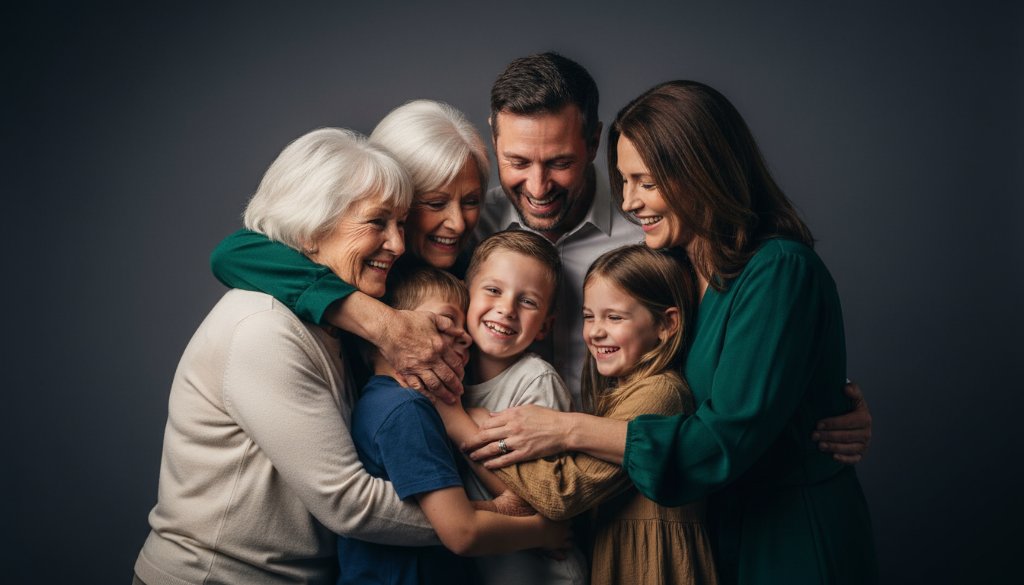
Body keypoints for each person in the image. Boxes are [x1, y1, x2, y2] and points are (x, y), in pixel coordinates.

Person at [206, 53, 872, 459]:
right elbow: (241, 249)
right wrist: (376, 320)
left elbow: (732, 342)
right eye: (517, 161)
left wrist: (821, 400)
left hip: (622, 475)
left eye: (558, 162)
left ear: (593, 140)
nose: (537, 184)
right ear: (494, 137)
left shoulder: (652, 228)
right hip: (481, 478)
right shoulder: (463, 222)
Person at [466, 81, 879, 584]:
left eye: (646, 182)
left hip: (784, 536)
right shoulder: (674, 266)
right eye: (624, 182)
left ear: (702, 172)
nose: (631, 201)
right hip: (699, 528)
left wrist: (565, 428)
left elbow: (724, 435)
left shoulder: (779, 269)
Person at [134, 128, 442, 585]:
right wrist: (487, 522)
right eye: (378, 223)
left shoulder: (334, 323)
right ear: (311, 228)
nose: (398, 244)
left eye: (401, 225)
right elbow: (347, 502)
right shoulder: (264, 327)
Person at [457, 244, 719, 585]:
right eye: (589, 316)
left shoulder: (660, 394)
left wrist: (469, 423)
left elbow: (560, 492)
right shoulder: (621, 391)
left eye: (614, 317)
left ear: (667, 324)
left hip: (652, 566)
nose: (595, 331)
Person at [211, 99, 489, 395]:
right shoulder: (358, 262)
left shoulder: (481, 262)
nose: (458, 224)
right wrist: (384, 324)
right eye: (435, 203)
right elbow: (232, 253)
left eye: (471, 201)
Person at [338, 266, 569, 585]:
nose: (465, 337)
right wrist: (544, 531)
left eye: (464, 328)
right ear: (386, 334)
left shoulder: (389, 402)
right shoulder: (407, 410)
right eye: (444, 325)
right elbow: (462, 532)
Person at [436, 230, 588, 585]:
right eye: (493, 290)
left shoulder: (536, 381)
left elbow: (539, 501)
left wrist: (459, 423)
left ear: (544, 328)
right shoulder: (447, 377)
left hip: (548, 575)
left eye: (528, 302)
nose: (506, 308)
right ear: (464, 296)